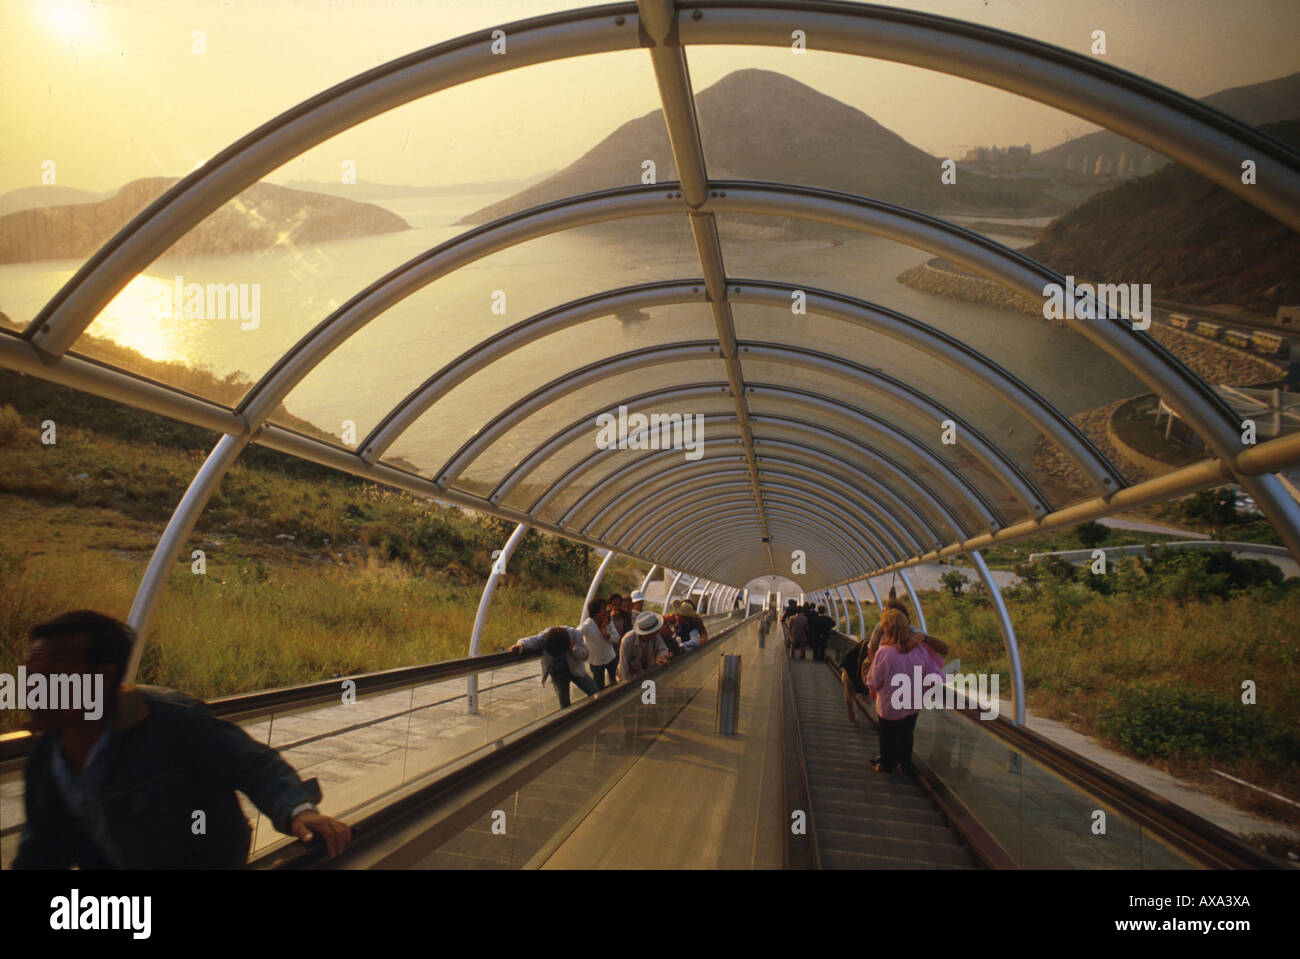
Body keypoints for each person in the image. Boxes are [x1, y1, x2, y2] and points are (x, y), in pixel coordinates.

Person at [14, 610, 352, 869]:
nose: (32, 686)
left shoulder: (171, 721)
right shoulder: (46, 758)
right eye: (29, 671)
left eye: (52, 672)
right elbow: (41, 848)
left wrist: (298, 812)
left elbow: (253, 764)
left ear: (102, 677)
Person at [863, 609, 945, 774]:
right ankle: (905, 764)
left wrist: (872, 687)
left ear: (887, 629)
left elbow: (874, 680)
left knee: (887, 736)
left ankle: (887, 763)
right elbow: (934, 675)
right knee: (907, 734)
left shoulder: (884, 653)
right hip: (912, 703)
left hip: (889, 705)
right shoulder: (920, 650)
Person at [511, 625, 597, 708]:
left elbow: (585, 655)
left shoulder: (576, 634)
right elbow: (533, 640)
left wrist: (572, 649)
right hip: (557, 672)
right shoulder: (546, 636)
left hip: (575, 669)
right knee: (564, 701)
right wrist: (521, 644)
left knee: (593, 690)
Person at [616, 611, 670, 682]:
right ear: (646, 634)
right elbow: (624, 669)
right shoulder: (627, 641)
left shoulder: (655, 636)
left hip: (647, 675)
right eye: (653, 633)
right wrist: (628, 686)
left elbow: (663, 649)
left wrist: (660, 656)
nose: (656, 633)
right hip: (631, 678)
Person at [579, 598, 619, 690]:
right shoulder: (587, 626)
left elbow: (616, 638)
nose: (606, 611)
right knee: (599, 687)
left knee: (617, 681)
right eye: (604, 609)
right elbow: (576, 633)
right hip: (596, 662)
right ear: (596, 613)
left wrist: (607, 636)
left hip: (611, 658)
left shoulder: (608, 621)